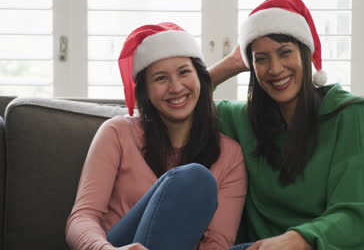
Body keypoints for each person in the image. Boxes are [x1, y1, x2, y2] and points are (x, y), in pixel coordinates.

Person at [208, 0, 364, 250]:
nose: (274, 69)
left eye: (285, 53)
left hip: (356, 243)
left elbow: (359, 211)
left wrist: (300, 239)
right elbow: (170, 103)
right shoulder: (241, 119)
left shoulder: (349, 113)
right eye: (261, 58)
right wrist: (230, 63)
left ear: (306, 54)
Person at [65, 22, 247, 250]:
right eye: (161, 78)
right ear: (146, 91)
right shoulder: (117, 133)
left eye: (184, 72)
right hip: (117, 246)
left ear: (201, 78)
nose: (176, 87)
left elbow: (217, 244)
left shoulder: (230, 154)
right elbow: (82, 218)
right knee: (194, 179)